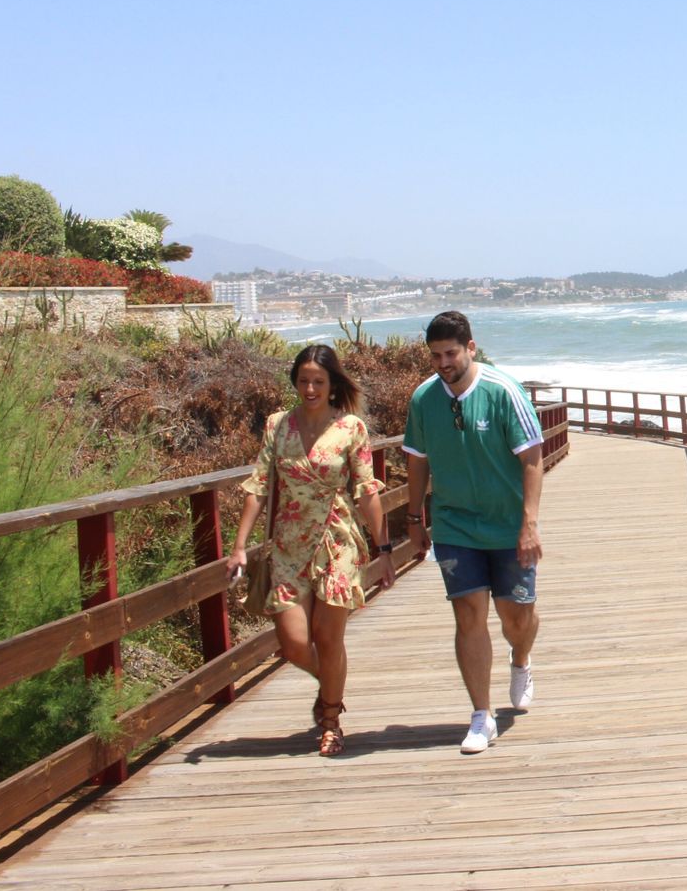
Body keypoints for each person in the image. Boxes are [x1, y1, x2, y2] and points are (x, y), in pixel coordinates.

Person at [226, 344, 393, 756]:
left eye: (319, 381)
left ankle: (331, 721)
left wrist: (385, 547)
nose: (311, 388)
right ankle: (331, 683)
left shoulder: (351, 428)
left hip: (337, 541)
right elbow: (259, 486)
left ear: (333, 384)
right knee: (294, 644)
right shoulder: (278, 426)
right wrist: (239, 546)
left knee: (328, 636)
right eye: (304, 381)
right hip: (287, 544)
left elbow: (367, 491)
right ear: (295, 382)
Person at [402, 310, 544, 754]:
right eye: (434, 355)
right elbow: (417, 461)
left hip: (506, 526)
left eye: (450, 353)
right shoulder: (424, 399)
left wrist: (529, 525)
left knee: (516, 618)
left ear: (470, 348)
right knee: (468, 615)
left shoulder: (503, 391)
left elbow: (533, 457)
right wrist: (414, 519)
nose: (443, 363)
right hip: (454, 525)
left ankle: (520, 659)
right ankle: (481, 716)